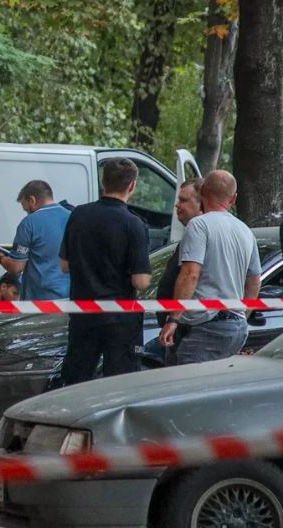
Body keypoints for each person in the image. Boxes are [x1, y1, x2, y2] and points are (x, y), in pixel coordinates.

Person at [58, 158, 151, 387]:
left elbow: (64, 265)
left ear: (103, 181)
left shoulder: (78, 215)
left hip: (82, 314)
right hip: (120, 319)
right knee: (119, 385)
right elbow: (140, 281)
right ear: (132, 185)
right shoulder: (134, 224)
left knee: (75, 382)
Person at [159, 171, 261, 365]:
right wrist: (241, 315)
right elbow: (254, 281)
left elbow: (190, 274)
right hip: (236, 328)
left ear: (203, 192)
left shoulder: (199, 226)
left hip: (204, 329)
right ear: (233, 198)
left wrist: (173, 319)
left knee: (189, 382)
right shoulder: (245, 231)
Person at [0, 180, 70, 300]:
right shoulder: (72, 217)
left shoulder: (29, 223)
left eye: (27, 209)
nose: (27, 213)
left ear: (32, 200)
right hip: (69, 297)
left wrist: (1, 258)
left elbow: (16, 267)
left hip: (39, 299)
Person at [154, 178, 204, 327]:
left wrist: (173, 319)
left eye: (183, 200)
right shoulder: (192, 235)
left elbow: (190, 275)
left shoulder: (200, 233)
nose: (177, 205)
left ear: (201, 204)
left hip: (188, 325)